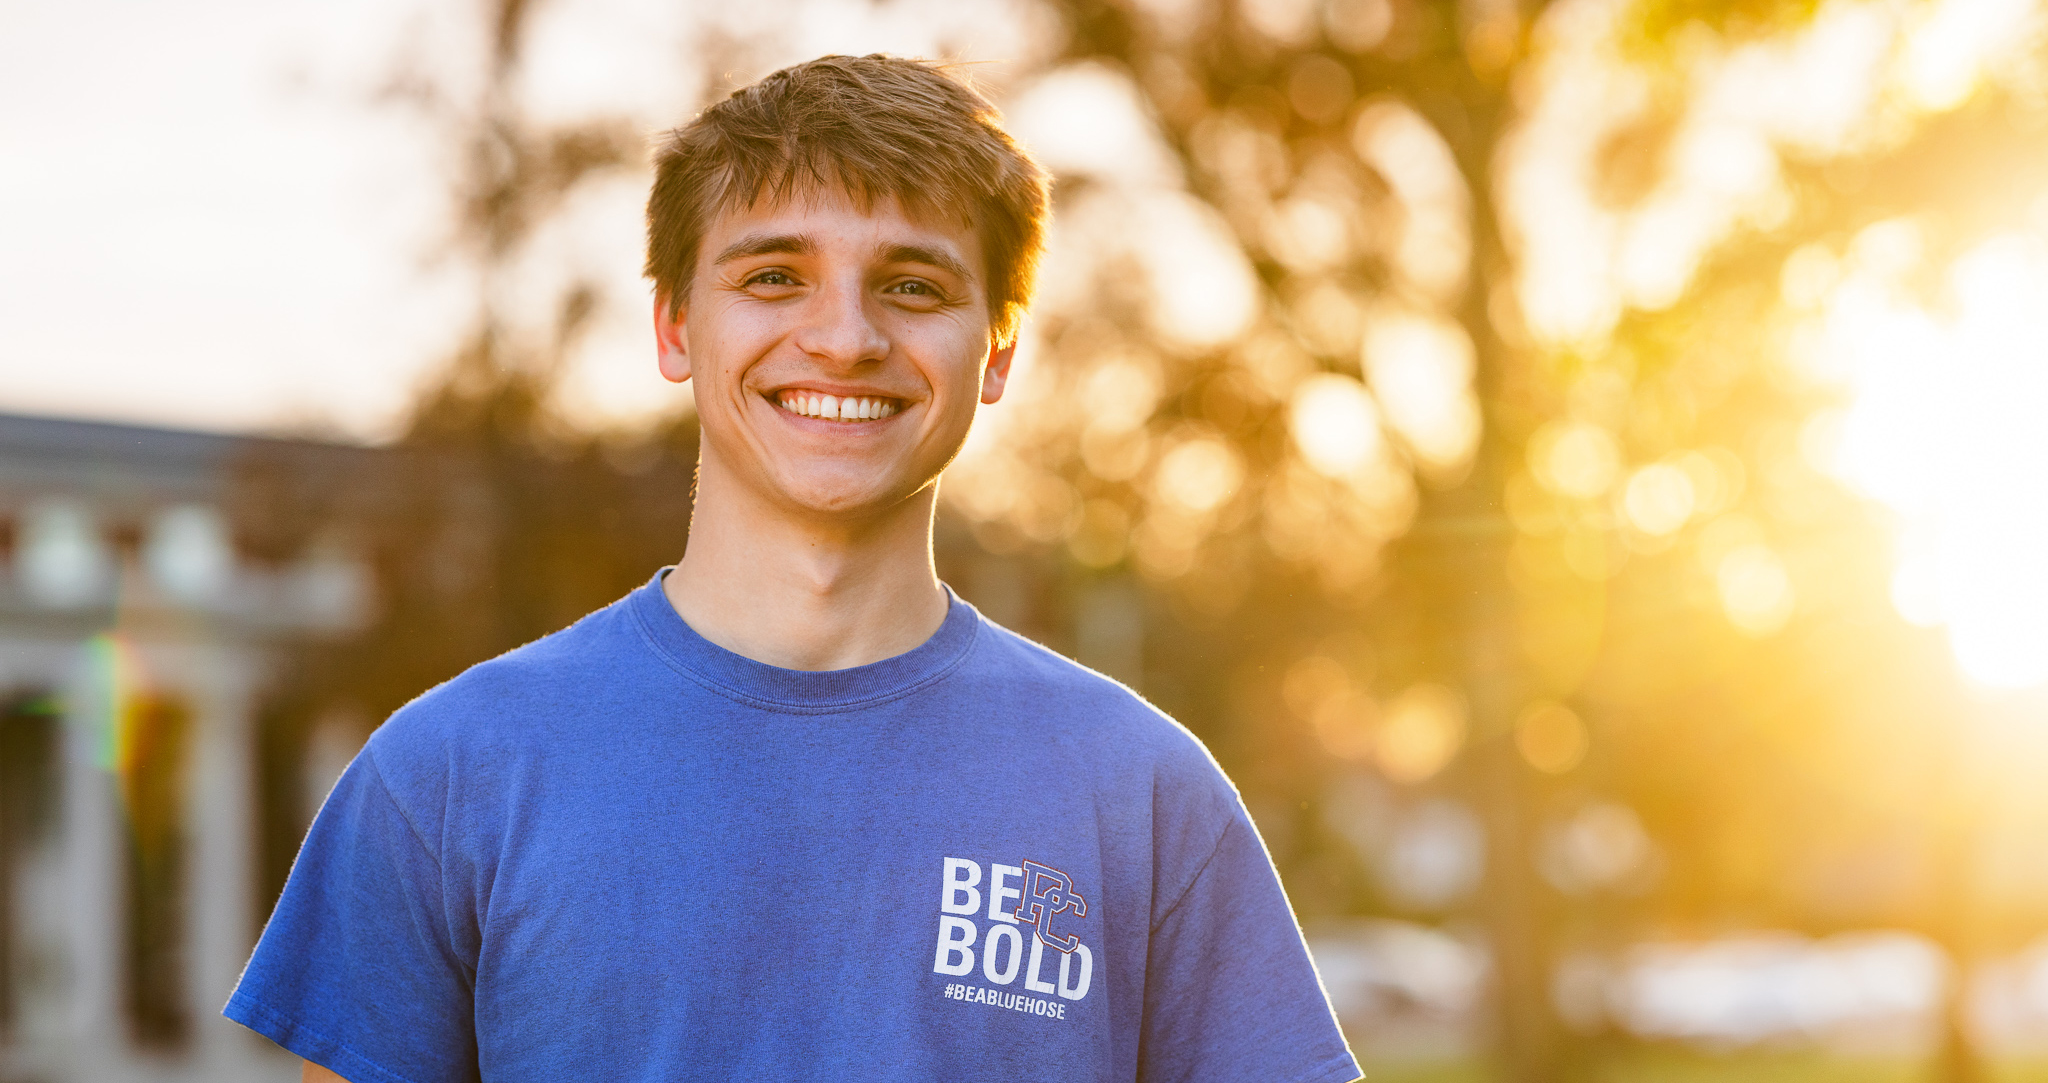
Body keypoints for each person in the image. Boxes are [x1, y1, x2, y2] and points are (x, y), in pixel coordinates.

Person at [226, 54, 1362, 1083]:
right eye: (774, 277)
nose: (845, 338)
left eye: (913, 286)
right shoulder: (446, 777)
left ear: (997, 351)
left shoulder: (1143, 794)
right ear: (674, 326)